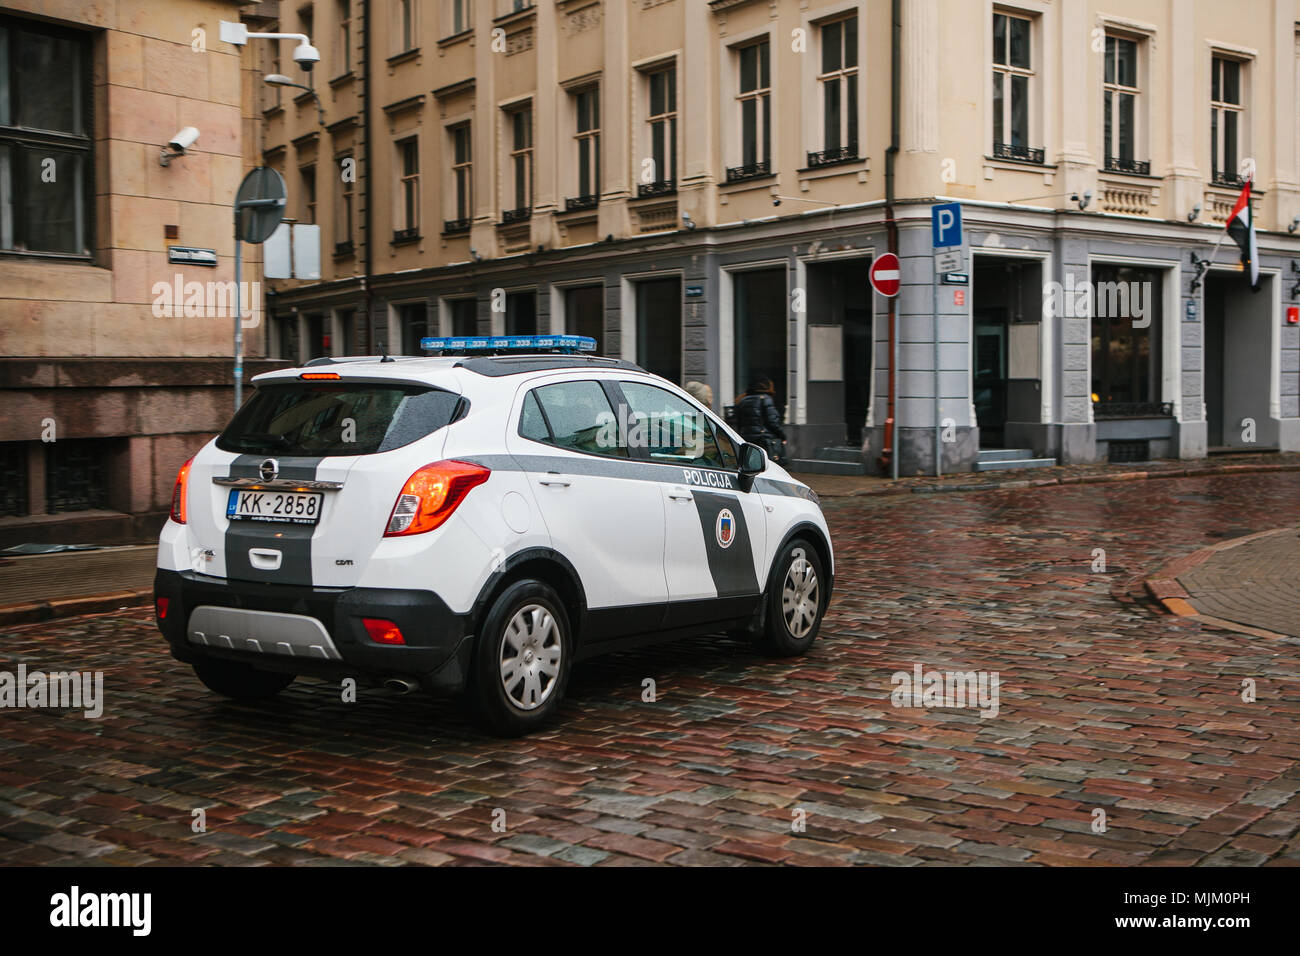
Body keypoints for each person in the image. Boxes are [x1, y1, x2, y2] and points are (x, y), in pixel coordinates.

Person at [734, 376, 786, 464]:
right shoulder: (766, 399)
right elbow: (772, 421)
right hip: (764, 441)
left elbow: (739, 423)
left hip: (748, 441)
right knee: (767, 466)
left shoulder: (742, 401)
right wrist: (782, 436)